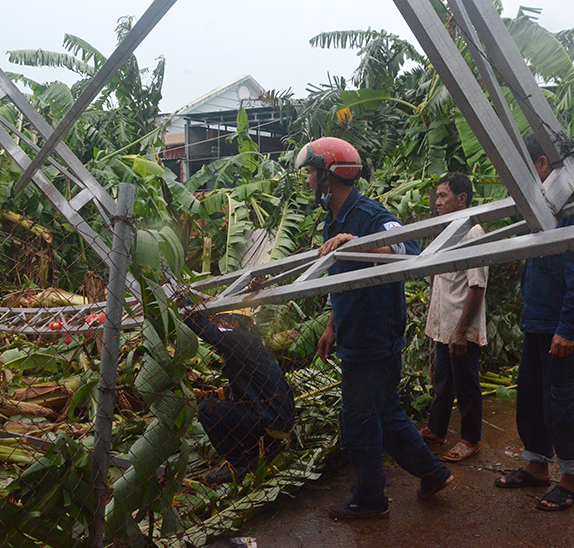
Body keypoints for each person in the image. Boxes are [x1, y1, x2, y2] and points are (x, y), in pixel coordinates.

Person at [295, 137, 452, 520]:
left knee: (359, 421)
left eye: (312, 173)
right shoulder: (333, 219)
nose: (309, 181)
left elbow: (409, 249)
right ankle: (432, 473)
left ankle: (370, 500)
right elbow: (338, 278)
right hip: (353, 330)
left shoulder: (368, 214)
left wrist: (361, 243)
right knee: (386, 412)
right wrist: (332, 325)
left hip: (374, 335)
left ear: (330, 177)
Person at [495, 136, 574, 512]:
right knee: (532, 398)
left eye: (526, 169)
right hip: (537, 321)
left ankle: (570, 480)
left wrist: (568, 327)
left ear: (543, 164)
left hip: (557, 326)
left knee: (562, 403)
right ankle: (536, 465)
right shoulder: (543, 209)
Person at [421, 172, 488, 462]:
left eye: (443, 196)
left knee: (466, 385)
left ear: (462, 199)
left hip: (460, 327)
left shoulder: (472, 234)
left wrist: (461, 331)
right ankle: (437, 430)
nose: (437, 201)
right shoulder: (447, 232)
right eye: (437, 196)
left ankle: (470, 439)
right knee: (443, 382)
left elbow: (477, 285)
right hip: (442, 326)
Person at [183, 311, 295, 483]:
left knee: (207, 410)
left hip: (270, 420)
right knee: (215, 403)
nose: (216, 325)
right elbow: (243, 388)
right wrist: (209, 394)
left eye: (218, 322)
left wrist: (189, 313)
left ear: (233, 322)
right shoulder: (248, 345)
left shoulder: (241, 339)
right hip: (277, 420)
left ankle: (239, 464)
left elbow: (212, 335)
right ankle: (264, 449)